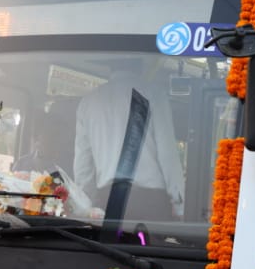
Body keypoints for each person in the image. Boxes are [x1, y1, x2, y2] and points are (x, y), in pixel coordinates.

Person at [73, 65, 185, 223]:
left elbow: (83, 164)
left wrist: (87, 207)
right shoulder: (154, 94)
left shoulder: (88, 102)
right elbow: (167, 154)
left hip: (108, 201)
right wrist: (179, 203)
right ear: (142, 64)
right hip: (150, 204)